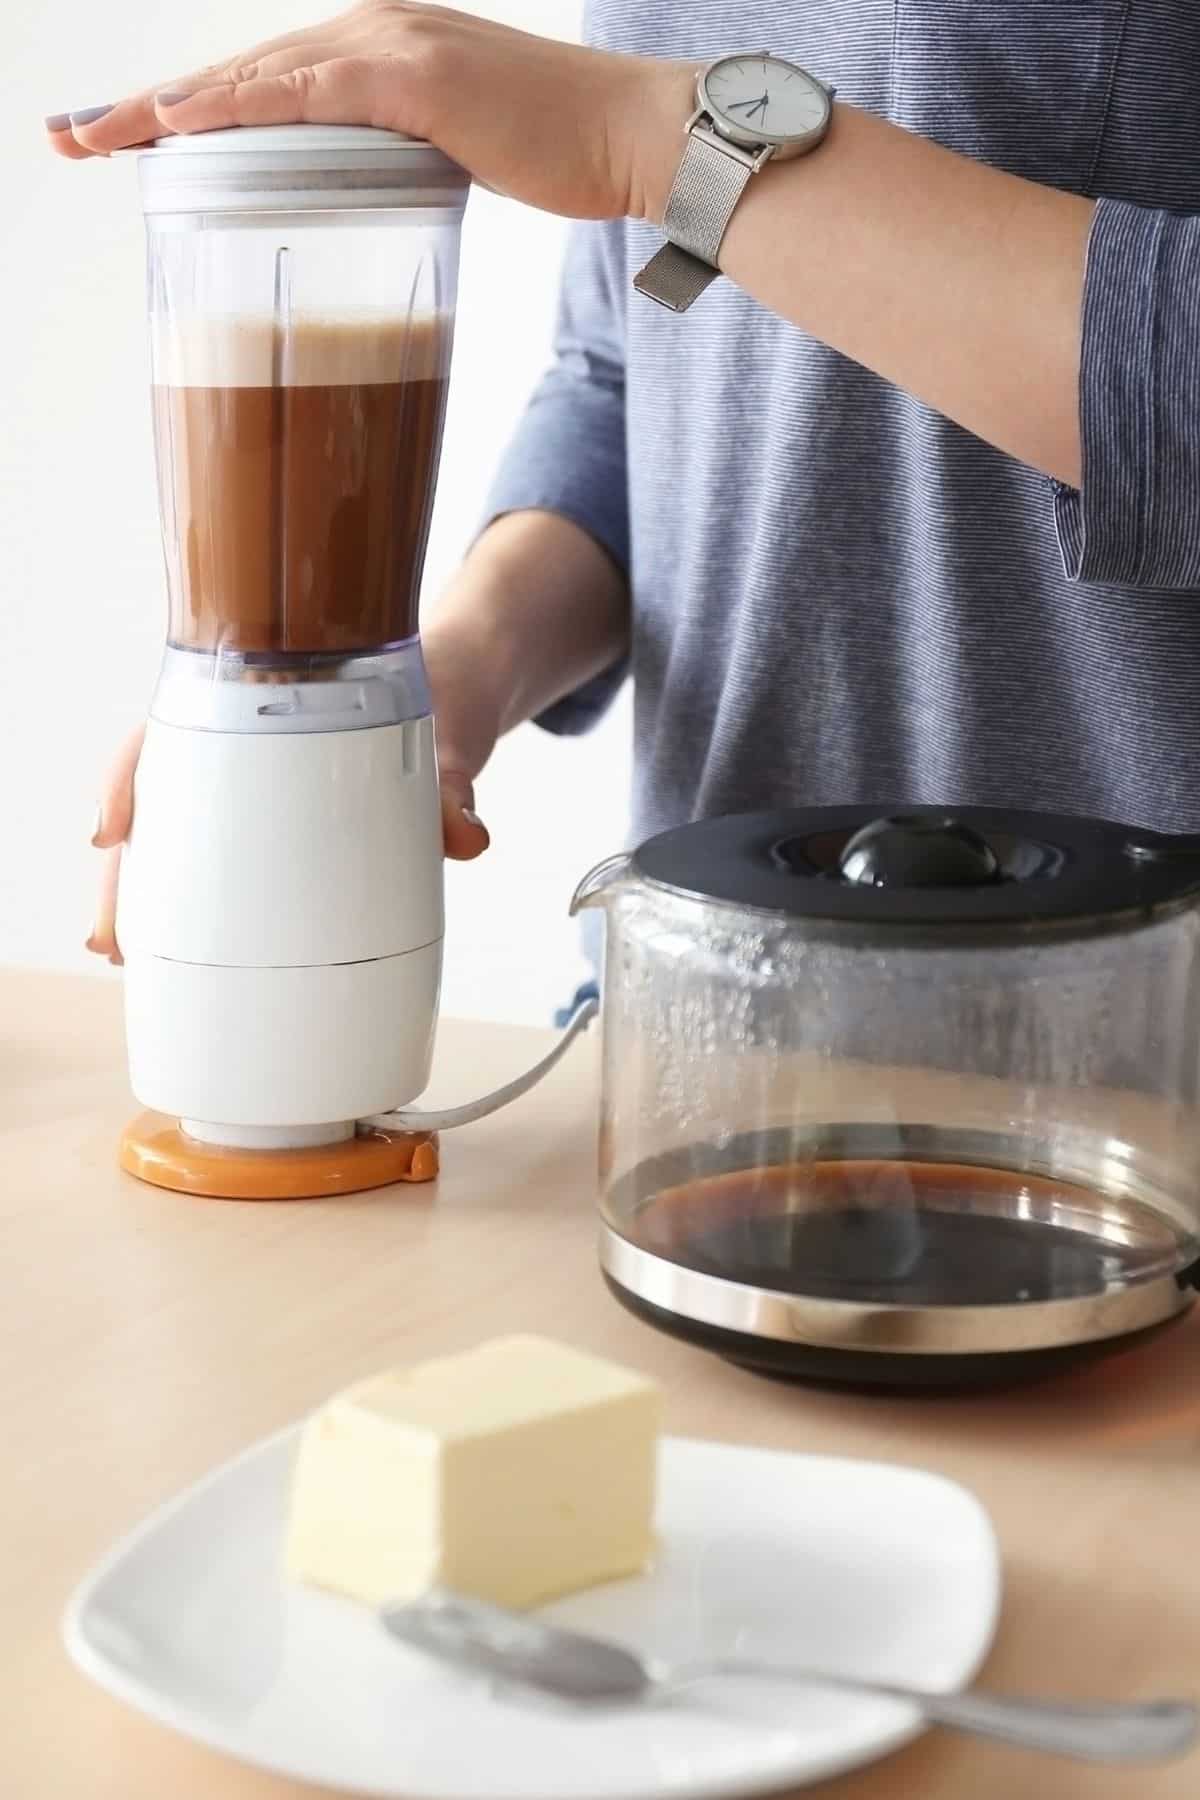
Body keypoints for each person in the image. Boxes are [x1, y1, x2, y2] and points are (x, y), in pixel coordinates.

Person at [49, 3, 1200, 979]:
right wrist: (445, 672)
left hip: (1120, 1038)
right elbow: (641, 360)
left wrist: (643, 134)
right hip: (705, 1007)